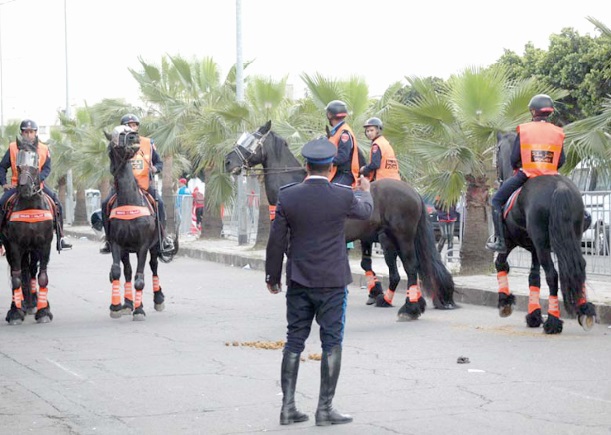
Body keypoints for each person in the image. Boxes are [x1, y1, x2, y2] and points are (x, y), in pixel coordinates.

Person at [265, 137, 373, 426]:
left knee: (294, 341)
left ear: (305, 165)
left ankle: (288, 408)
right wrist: (366, 192)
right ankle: (324, 410)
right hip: (332, 282)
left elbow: (276, 241)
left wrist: (272, 277)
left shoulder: (288, 196)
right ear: (330, 167)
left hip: (299, 280)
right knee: (332, 342)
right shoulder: (342, 195)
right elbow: (365, 212)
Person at [486, 94, 565, 253]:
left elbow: (514, 158)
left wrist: (519, 165)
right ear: (549, 111)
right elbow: (561, 160)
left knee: (495, 201)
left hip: (527, 174)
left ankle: (500, 242)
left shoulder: (525, 130)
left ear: (533, 112)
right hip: (552, 176)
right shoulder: (558, 132)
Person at [99, 113, 173, 254]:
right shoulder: (116, 144)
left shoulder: (147, 143)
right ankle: (108, 239)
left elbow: (159, 163)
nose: (132, 127)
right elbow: (112, 166)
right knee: (105, 204)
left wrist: (155, 168)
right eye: (129, 125)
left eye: (134, 125)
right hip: (121, 188)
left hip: (144, 185)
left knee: (160, 204)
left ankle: (163, 237)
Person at [0, 119, 72, 251]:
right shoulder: (12, 148)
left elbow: (47, 168)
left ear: (35, 133)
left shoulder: (44, 148)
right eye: (25, 132)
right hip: (17, 186)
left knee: (57, 204)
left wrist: (39, 179)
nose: (28, 134)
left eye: (31, 132)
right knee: (1, 203)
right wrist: (4, 183)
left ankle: (61, 237)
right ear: (21, 133)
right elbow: (2, 167)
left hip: (38, 186)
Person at [325, 100, 361, 187]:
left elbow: (343, 156)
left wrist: (324, 162)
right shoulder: (336, 131)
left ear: (329, 115)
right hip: (335, 172)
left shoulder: (344, 132)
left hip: (345, 174)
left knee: (331, 193)